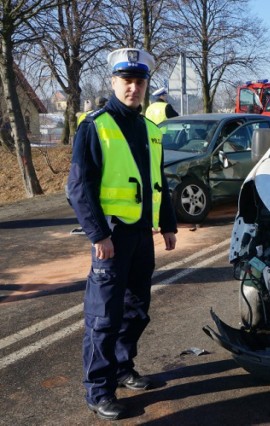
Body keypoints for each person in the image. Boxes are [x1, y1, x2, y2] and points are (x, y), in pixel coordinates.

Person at [67, 47, 178, 421]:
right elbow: (78, 188)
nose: (133, 87)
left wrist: (168, 224)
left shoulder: (149, 129)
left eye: (139, 81)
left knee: (137, 309)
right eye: (126, 81)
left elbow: (158, 181)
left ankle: (122, 364)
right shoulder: (95, 125)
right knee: (103, 317)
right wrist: (98, 235)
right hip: (110, 237)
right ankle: (99, 390)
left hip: (141, 235)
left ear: (146, 84)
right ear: (114, 83)